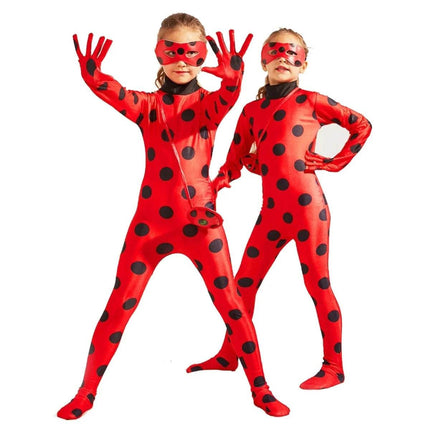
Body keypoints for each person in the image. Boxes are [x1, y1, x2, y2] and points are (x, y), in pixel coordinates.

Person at [57, 14, 290, 420]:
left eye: (191, 52)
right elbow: (116, 94)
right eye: (173, 51)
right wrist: (93, 77)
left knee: (232, 305)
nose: (182, 60)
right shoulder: (147, 106)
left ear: (203, 56)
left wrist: (233, 81)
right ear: (158, 53)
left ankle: (261, 388)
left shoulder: (208, 105)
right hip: (150, 226)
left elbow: (226, 97)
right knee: (118, 306)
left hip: (202, 225)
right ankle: (86, 392)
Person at [187, 28, 372, 391]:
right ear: (263, 61)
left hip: (308, 211)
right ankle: (229, 354)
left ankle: (334, 367)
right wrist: (214, 187)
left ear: (303, 64)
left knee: (317, 284)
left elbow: (361, 126)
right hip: (271, 213)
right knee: (241, 285)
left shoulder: (312, 101)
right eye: (276, 51)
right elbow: (234, 161)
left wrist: (335, 162)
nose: (284, 57)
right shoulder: (251, 111)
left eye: (292, 53)